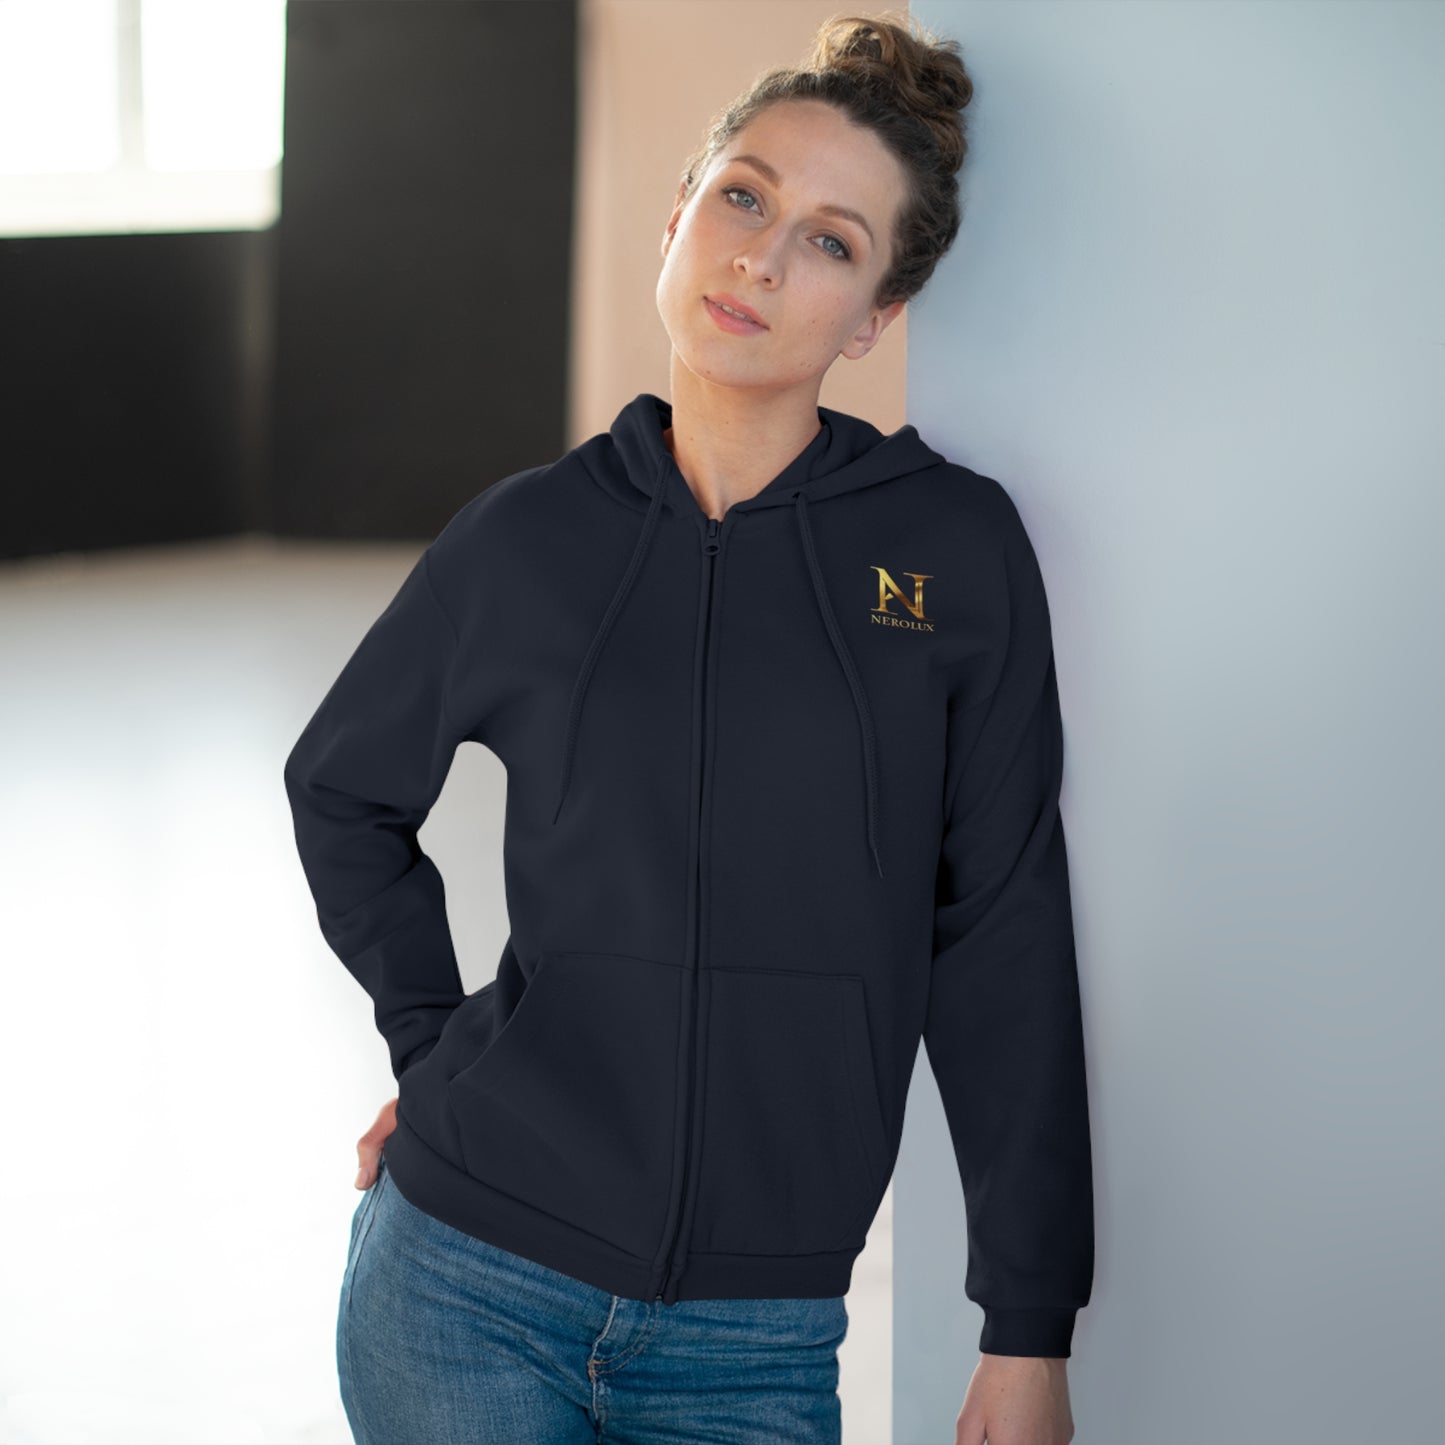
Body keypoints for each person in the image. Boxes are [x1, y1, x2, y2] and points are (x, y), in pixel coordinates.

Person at [284, 11, 1094, 1445]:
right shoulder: (527, 541)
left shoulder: (953, 557)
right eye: (743, 196)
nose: (762, 260)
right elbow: (343, 786)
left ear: (876, 318)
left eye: (832, 243)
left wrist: (1024, 1328)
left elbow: (1004, 932)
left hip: (750, 1339)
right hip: (458, 1286)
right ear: (677, 214)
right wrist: (432, 1043)